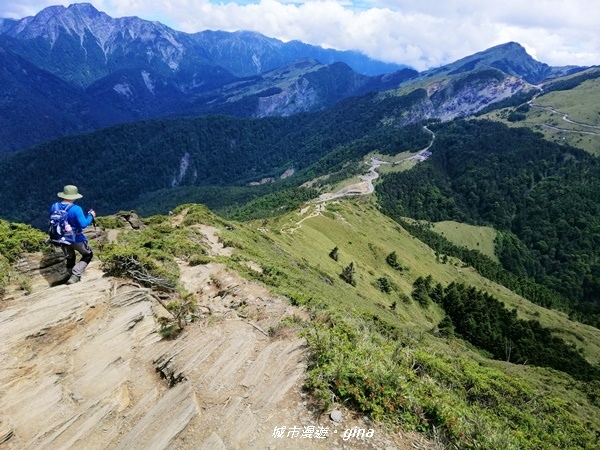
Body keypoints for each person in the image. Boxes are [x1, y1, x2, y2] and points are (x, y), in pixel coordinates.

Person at [51, 185, 96, 285]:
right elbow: (83, 224)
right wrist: (91, 216)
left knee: (70, 257)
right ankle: (75, 275)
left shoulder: (54, 206)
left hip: (60, 238)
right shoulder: (76, 209)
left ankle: (69, 274)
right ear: (75, 196)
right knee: (88, 254)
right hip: (76, 238)